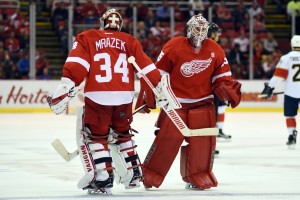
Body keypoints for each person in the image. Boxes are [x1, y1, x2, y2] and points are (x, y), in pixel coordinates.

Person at [47, 8, 176, 195]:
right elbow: (146, 68)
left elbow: (77, 66)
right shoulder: (130, 40)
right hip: (124, 96)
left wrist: (67, 85)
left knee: (97, 136)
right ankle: (133, 173)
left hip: (98, 96)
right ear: (120, 24)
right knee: (123, 133)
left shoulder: (87, 37)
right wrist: (160, 89)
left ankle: (103, 177)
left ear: (103, 22)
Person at [136, 14, 241, 190]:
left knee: (203, 142)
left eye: (203, 29)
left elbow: (221, 76)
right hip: (176, 103)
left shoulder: (216, 49)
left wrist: (226, 87)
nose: (200, 33)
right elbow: (159, 73)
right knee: (167, 140)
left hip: (203, 102)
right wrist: (155, 93)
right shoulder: (174, 45)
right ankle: (151, 173)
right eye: (197, 29)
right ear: (189, 29)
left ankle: (199, 174)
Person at [260, 35, 300, 148]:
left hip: (290, 92)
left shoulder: (286, 58)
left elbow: (278, 76)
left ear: (292, 44)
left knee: (290, 115)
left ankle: (292, 135)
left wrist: (270, 88)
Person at [207, 22, 232, 141]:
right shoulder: (216, 49)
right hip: (212, 88)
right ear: (211, 34)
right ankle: (211, 139)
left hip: (206, 87)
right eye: (216, 34)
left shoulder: (200, 47)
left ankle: (216, 132)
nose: (218, 36)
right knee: (212, 114)